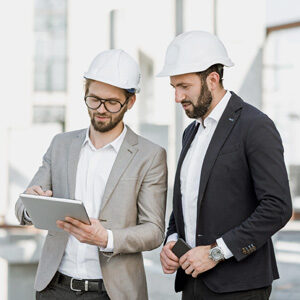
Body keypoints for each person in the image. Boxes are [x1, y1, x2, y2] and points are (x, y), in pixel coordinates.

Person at [15, 49, 167, 300]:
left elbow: (154, 231)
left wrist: (106, 238)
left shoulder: (150, 156)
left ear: (130, 102)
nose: (101, 109)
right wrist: (34, 205)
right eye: (94, 99)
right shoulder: (61, 144)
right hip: (54, 287)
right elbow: (22, 206)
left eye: (112, 102)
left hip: (113, 292)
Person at [158, 31, 292, 300]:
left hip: (240, 287)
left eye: (185, 86)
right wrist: (172, 240)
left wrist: (215, 253)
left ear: (212, 79)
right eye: (174, 87)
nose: (178, 97)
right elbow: (187, 200)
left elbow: (277, 208)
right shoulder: (191, 133)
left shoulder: (255, 126)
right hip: (193, 283)